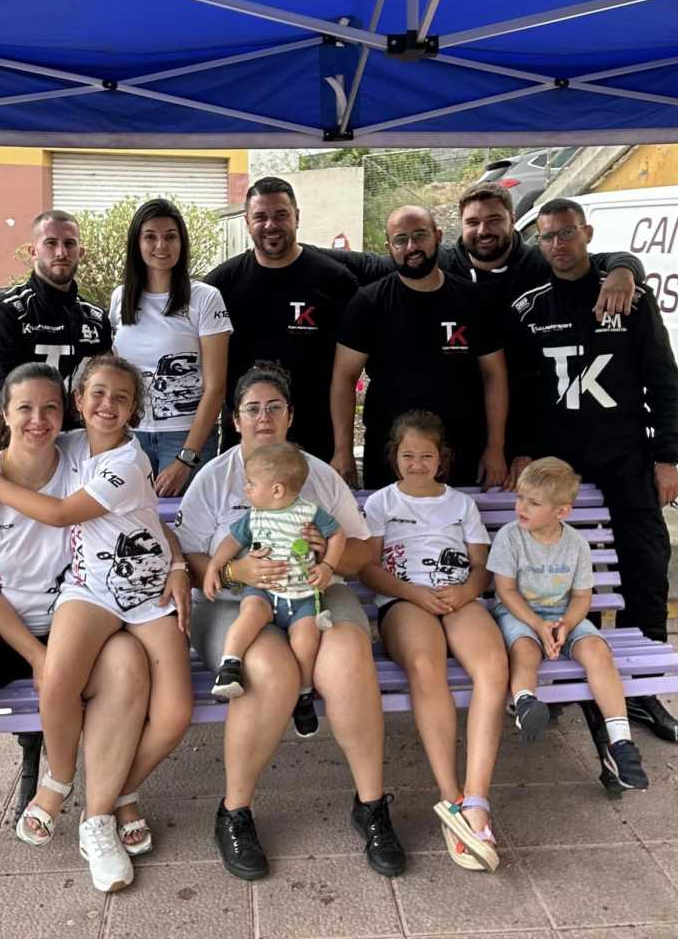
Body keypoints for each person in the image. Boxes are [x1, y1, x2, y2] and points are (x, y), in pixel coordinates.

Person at [0, 363, 150, 884]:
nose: (39, 420)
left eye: (50, 408)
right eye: (26, 409)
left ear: (67, 412)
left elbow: (138, 511)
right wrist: (38, 656)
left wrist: (174, 564)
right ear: (5, 414)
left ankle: (98, 819)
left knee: (127, 665)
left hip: (81, 615)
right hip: (0, 622)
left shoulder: (83, 454)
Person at [0, 354, 193, 893]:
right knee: (57, 678)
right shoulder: (67, 444)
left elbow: (62, 514)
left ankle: (112, 796)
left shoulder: (127, 460)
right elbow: (25, 442)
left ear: (134, 410)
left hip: (148, 597)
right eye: (98, 395)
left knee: (176, 711)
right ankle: (59, 780)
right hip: (89, 590)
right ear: (78, 401)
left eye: (121, 398)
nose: (108, 405)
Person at [174, 361, 406, 881]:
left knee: (348, 656)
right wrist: (234, 570)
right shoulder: (215, 478)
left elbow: (361, 552)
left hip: (314, 594)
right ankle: (234, 811)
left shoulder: (316, 474)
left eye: (273, 408)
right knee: (268, 671)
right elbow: (188, 557)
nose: (263, 417)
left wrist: (327, 556)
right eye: (252, 409)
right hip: (237, 602)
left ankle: (371, 805)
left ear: (290, 416)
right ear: (235, 420)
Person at [506, 197, 678, 744]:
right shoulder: (529, 308)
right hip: (556, 462)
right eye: (547, 237)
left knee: (645, 565)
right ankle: (561, 672)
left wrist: (668, 456)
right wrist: (520, 451)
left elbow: (663, 379)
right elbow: (520, 392)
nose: (557, 244)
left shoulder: (629, 298)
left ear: (587, 233)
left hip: (624, 455)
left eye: (566, 233)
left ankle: (641, 690)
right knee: (550, 565)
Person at [359, 411, 508, 873]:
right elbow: (369, 568)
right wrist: (413, 593)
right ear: (394, 457)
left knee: (493, 667)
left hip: (458, 597)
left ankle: (477, 798)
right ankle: (451, 797)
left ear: (442, 459)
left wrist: (465, 592)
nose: (417, 464)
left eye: (426, 456)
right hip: (404, 600)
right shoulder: (381, 503)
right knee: (426, 666)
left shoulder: (460, 504)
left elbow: (481, 567)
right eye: (408, 455)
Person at [487, 457, 649, 790]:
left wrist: (565, 624)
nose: (521, 507)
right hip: (519, 614)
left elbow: (581, 597)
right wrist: (537, 624)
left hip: (565, 615)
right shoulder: (509, 537)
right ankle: (526, 702)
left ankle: (621, 743)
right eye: (520, 498)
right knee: (524, 649)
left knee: (598, 652)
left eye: (533, 503)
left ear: (561, 511)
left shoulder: (576, 544)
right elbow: (505, 591)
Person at [331, 205, 508, 490]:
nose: (411, 247)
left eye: (420, 235)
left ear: (438, 236)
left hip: (461, 451)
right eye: (401, 240)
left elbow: (494, 375)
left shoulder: (473, 300)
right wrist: (343, 451)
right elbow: (344, 378)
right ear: (389, 247)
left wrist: (496, 447)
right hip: (390, 453)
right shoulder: (368, 303)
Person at [320, 181, 645, 325]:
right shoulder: (441, 263)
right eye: (473, 222)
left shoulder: (539, 261)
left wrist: (623, 271)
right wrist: (298, 250)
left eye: (494, 220)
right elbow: (367, 264)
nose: (483, 230)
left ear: (512, 220)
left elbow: (598, 261)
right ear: (460, 225)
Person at [206, 177, 358, 462]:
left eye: (281, 215)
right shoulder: (221, 285)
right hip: (245, 443)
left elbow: (347, 375)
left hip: (315, 441)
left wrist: (343, 450)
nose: (270, 225)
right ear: (247, 222)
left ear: (297, 217)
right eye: (260, 217)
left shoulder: (335, 282)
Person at [204, 441, 346, 737]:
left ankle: (304, 694)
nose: (246, 489)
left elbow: (337, 534)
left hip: (302, 595)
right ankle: (230, 665)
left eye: (251, 483)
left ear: (277, 490)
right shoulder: (254, 515)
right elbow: (232, 541)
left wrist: (328, 566)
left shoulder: (309, 512)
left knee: (306, 640)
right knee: (249, 615)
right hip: (264, 592)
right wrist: (214, 565)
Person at [109, 197, 231, 495]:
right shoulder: (120, 298)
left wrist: (186, 458)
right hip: (130, 436)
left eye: (170, 237)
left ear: (182, 242)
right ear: (137, 244)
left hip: (185, 436)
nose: (161, 245)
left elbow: (216, 387)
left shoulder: (205, 298)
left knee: (181, 521)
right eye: (150, 237)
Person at [0, 210, 111, 429]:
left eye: (69, 243)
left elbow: (104, 386)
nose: (61, 252)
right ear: (33, 251)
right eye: (50, 243)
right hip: (23, 440)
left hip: (80, 443)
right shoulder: (3, 312)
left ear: (81, 252)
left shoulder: (96, 318)